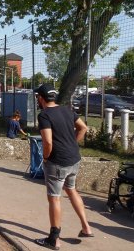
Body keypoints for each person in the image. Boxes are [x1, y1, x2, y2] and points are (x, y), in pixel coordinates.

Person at [34, 84, 93, 250]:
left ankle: (54, 239)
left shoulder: (44, 115)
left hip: (57, 162)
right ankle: (86, 227)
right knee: (71, 189)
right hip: (74, 159)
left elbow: (47, 141)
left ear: (41, 98)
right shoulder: (67, 110)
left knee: (54, 197)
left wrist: (46, 158)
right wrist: (72, 144)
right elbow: (83, 127)